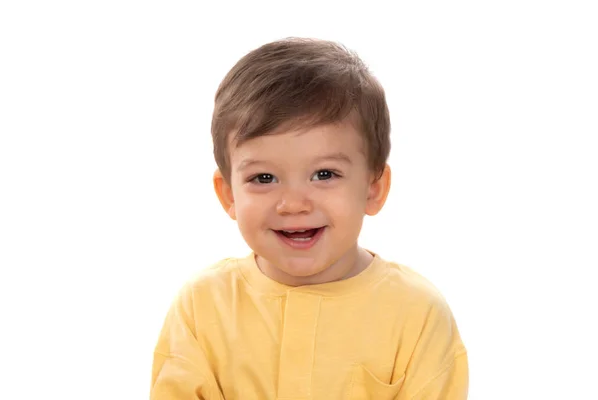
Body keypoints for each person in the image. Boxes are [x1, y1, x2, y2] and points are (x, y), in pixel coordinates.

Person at [150, 37, 468, 400]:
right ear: (229, 194)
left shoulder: (419, 315)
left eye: (324, 174)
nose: (293, 204)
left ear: (373, 188)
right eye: (264, 178)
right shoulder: (201, 307)